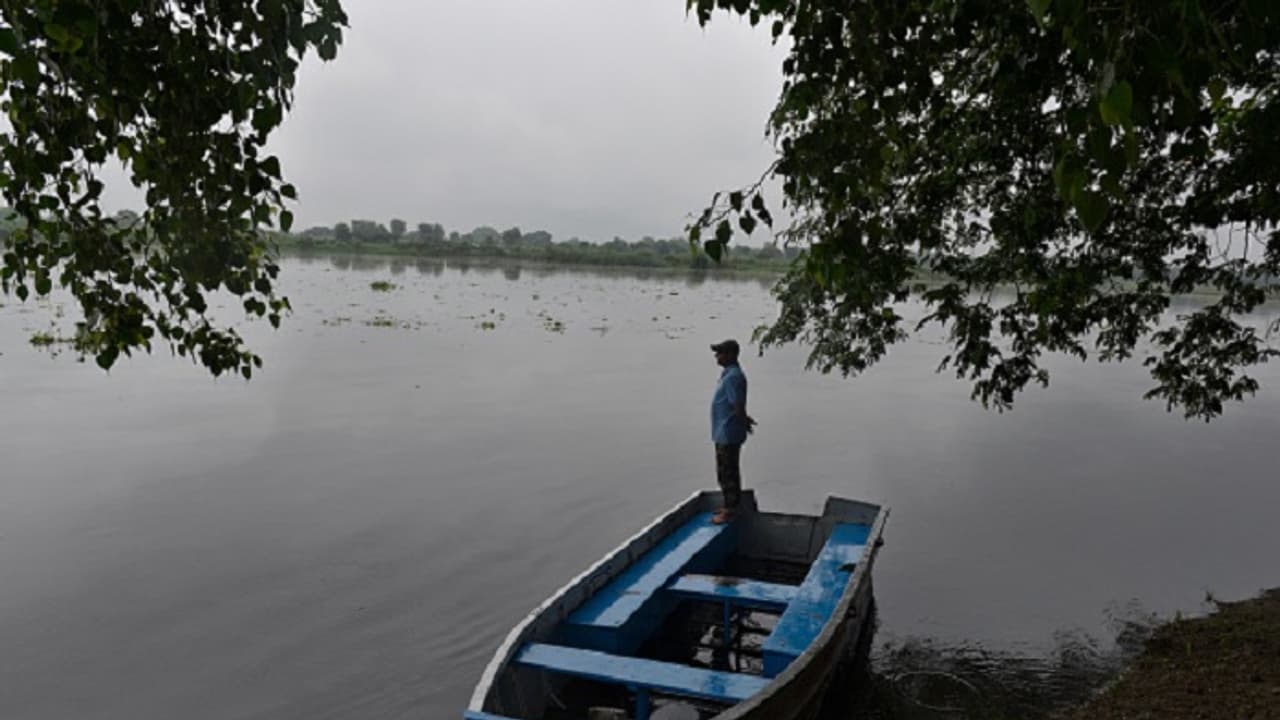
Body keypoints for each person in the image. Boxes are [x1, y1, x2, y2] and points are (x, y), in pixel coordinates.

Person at [709, 339, 756, 524]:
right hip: (723, 431)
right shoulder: (728, 375)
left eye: (720, 353)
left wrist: (744, 421)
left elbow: (737, 406)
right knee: (725, 471)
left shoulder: (733, 377)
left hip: (728, 433)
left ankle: (730, 510)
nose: (716, 356)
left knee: (727, 472)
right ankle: (729, 504)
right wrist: (746, 419)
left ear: (730, 355)